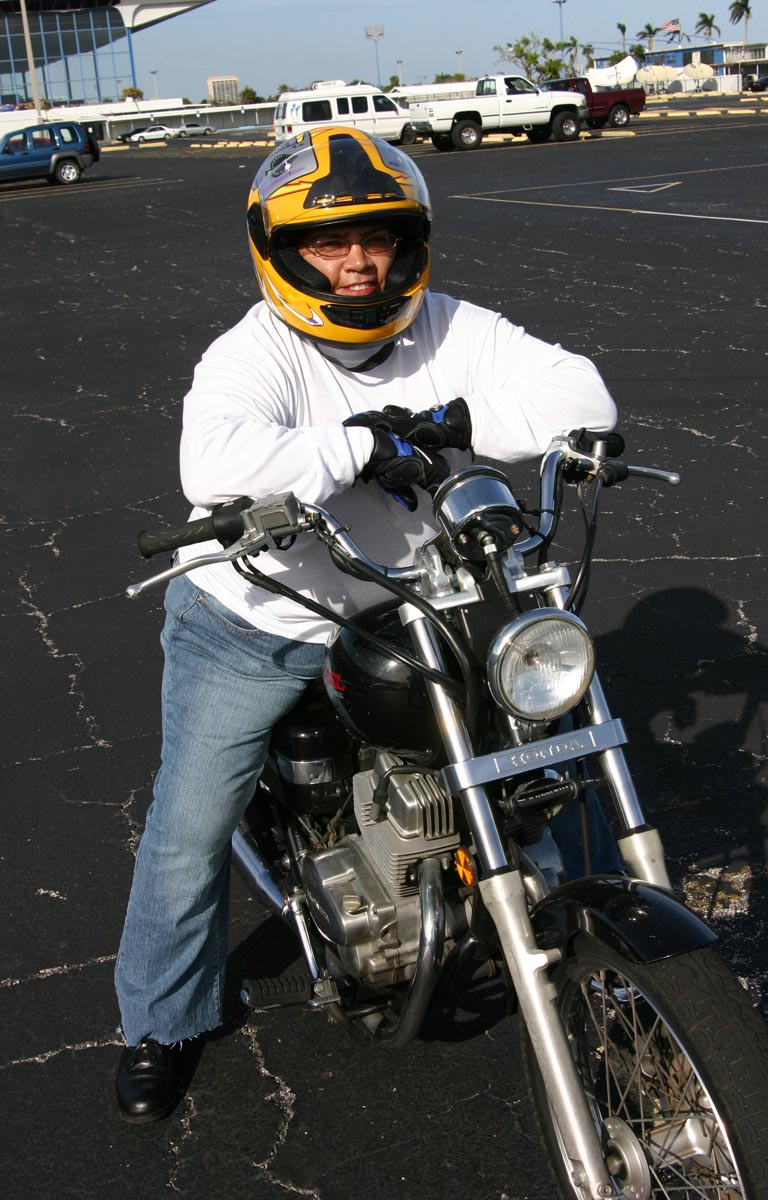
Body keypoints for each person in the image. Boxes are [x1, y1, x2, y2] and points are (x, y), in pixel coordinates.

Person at [114, 127, 616, 1122]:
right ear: (281, 251)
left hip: (414, 607)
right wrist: (355, 445)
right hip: (257, 621)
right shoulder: (251, 353)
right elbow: (214, 465)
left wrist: (451, 423)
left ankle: (557, 919)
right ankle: (162, 1020)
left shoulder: (451, 326)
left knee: (540, 755)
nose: (357, 262)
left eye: (378, 237)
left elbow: (582, 393)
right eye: (327, 242)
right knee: (189, 828)